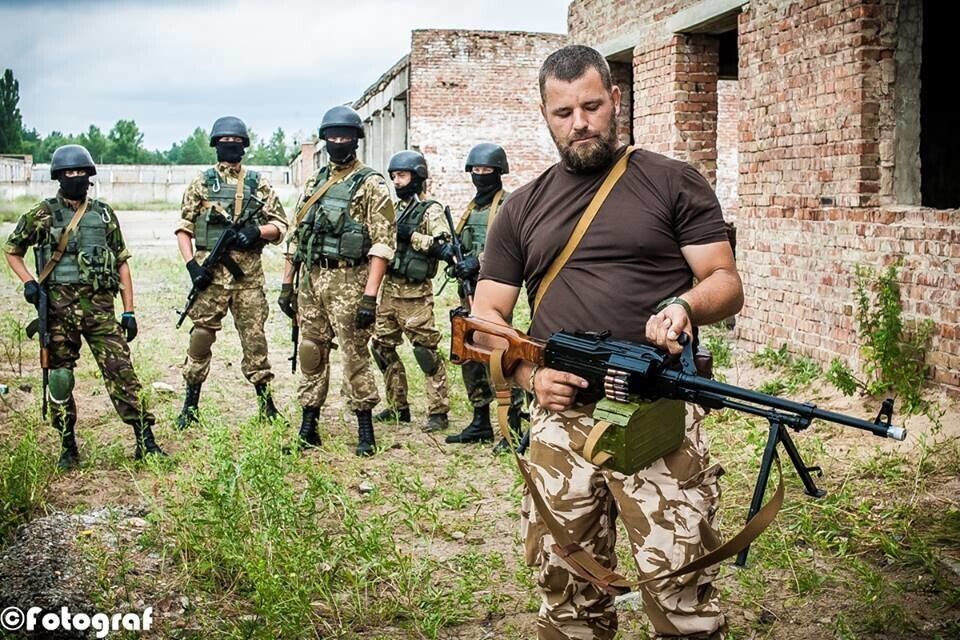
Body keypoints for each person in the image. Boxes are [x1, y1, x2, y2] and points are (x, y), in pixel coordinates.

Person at [471, 45, 742, 639]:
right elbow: (487, 315)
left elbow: (724, 281)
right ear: (544, 114)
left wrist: (683, 306)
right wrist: (529, 376)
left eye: (592, 106)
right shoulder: (520, 209)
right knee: (567, 591)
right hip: (561, 420)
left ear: (616, 100)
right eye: (563, 112)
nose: (580, 123)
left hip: (656, 413)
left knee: (681, 592)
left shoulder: (671, 181)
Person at [4, 144, 166, 468]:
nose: (75, 177)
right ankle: (68, 445)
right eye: (69, 172)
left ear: (89, 175)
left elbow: (121, 262)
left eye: (80, 172)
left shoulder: (103, 214)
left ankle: (145, 440)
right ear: (58, 176)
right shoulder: (41, 214)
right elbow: (12, 250)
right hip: (58, 313)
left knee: (122, 372)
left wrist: (129, 311)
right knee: (60, 378)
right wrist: (29, 282)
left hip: (100, 311)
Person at [279, 105, 395, 456]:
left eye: (345, 136)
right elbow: (298, 235)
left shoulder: (372, 184)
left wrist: (370, 296)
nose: (338, 142)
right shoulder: (315, 181)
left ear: (356, 140)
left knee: (354, 354)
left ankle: (365, 429)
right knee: (311, 350)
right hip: (312, 279)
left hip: (350, 279)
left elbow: (383, 244)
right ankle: (308, 426)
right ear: (324, 139)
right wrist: (287, 284)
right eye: (332, 136)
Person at [174, 116, 289, 430]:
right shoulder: (200, 183)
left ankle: (266, 405)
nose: (230, 146)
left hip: (247, 279)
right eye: (225, 141)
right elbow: (184, 228)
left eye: (236, 141)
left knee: (255, 341)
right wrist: (192, 266)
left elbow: (281, 225)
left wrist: (257, 231)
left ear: (244, 146)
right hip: (210, 278)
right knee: (200, 337)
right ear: (215, 145)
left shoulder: (257, 183)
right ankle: (190, 406)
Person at [444, 143, 524, 451]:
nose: (480, 175)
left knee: (499, 355)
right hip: (467, 293)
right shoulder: (471, 209)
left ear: (499, 172)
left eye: (486, 170)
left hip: (494, 294)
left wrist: (477, 262)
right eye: (475, 170)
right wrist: (454, 257)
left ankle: (511, 424)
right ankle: (480, 420)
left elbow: (512, 245)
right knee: (468, 353)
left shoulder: (508, 205)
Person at [370, 150, 453, 433]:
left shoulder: (431, 210)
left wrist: (412, 236)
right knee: (381, 347)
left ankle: (438, 411)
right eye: (394, 176)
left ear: (417, 177)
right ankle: (398, 406)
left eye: (402, 175)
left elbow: (444, 247)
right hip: (389, 291)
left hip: (415, 295)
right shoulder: (393, 208)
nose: (397, 181)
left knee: (425, 353)